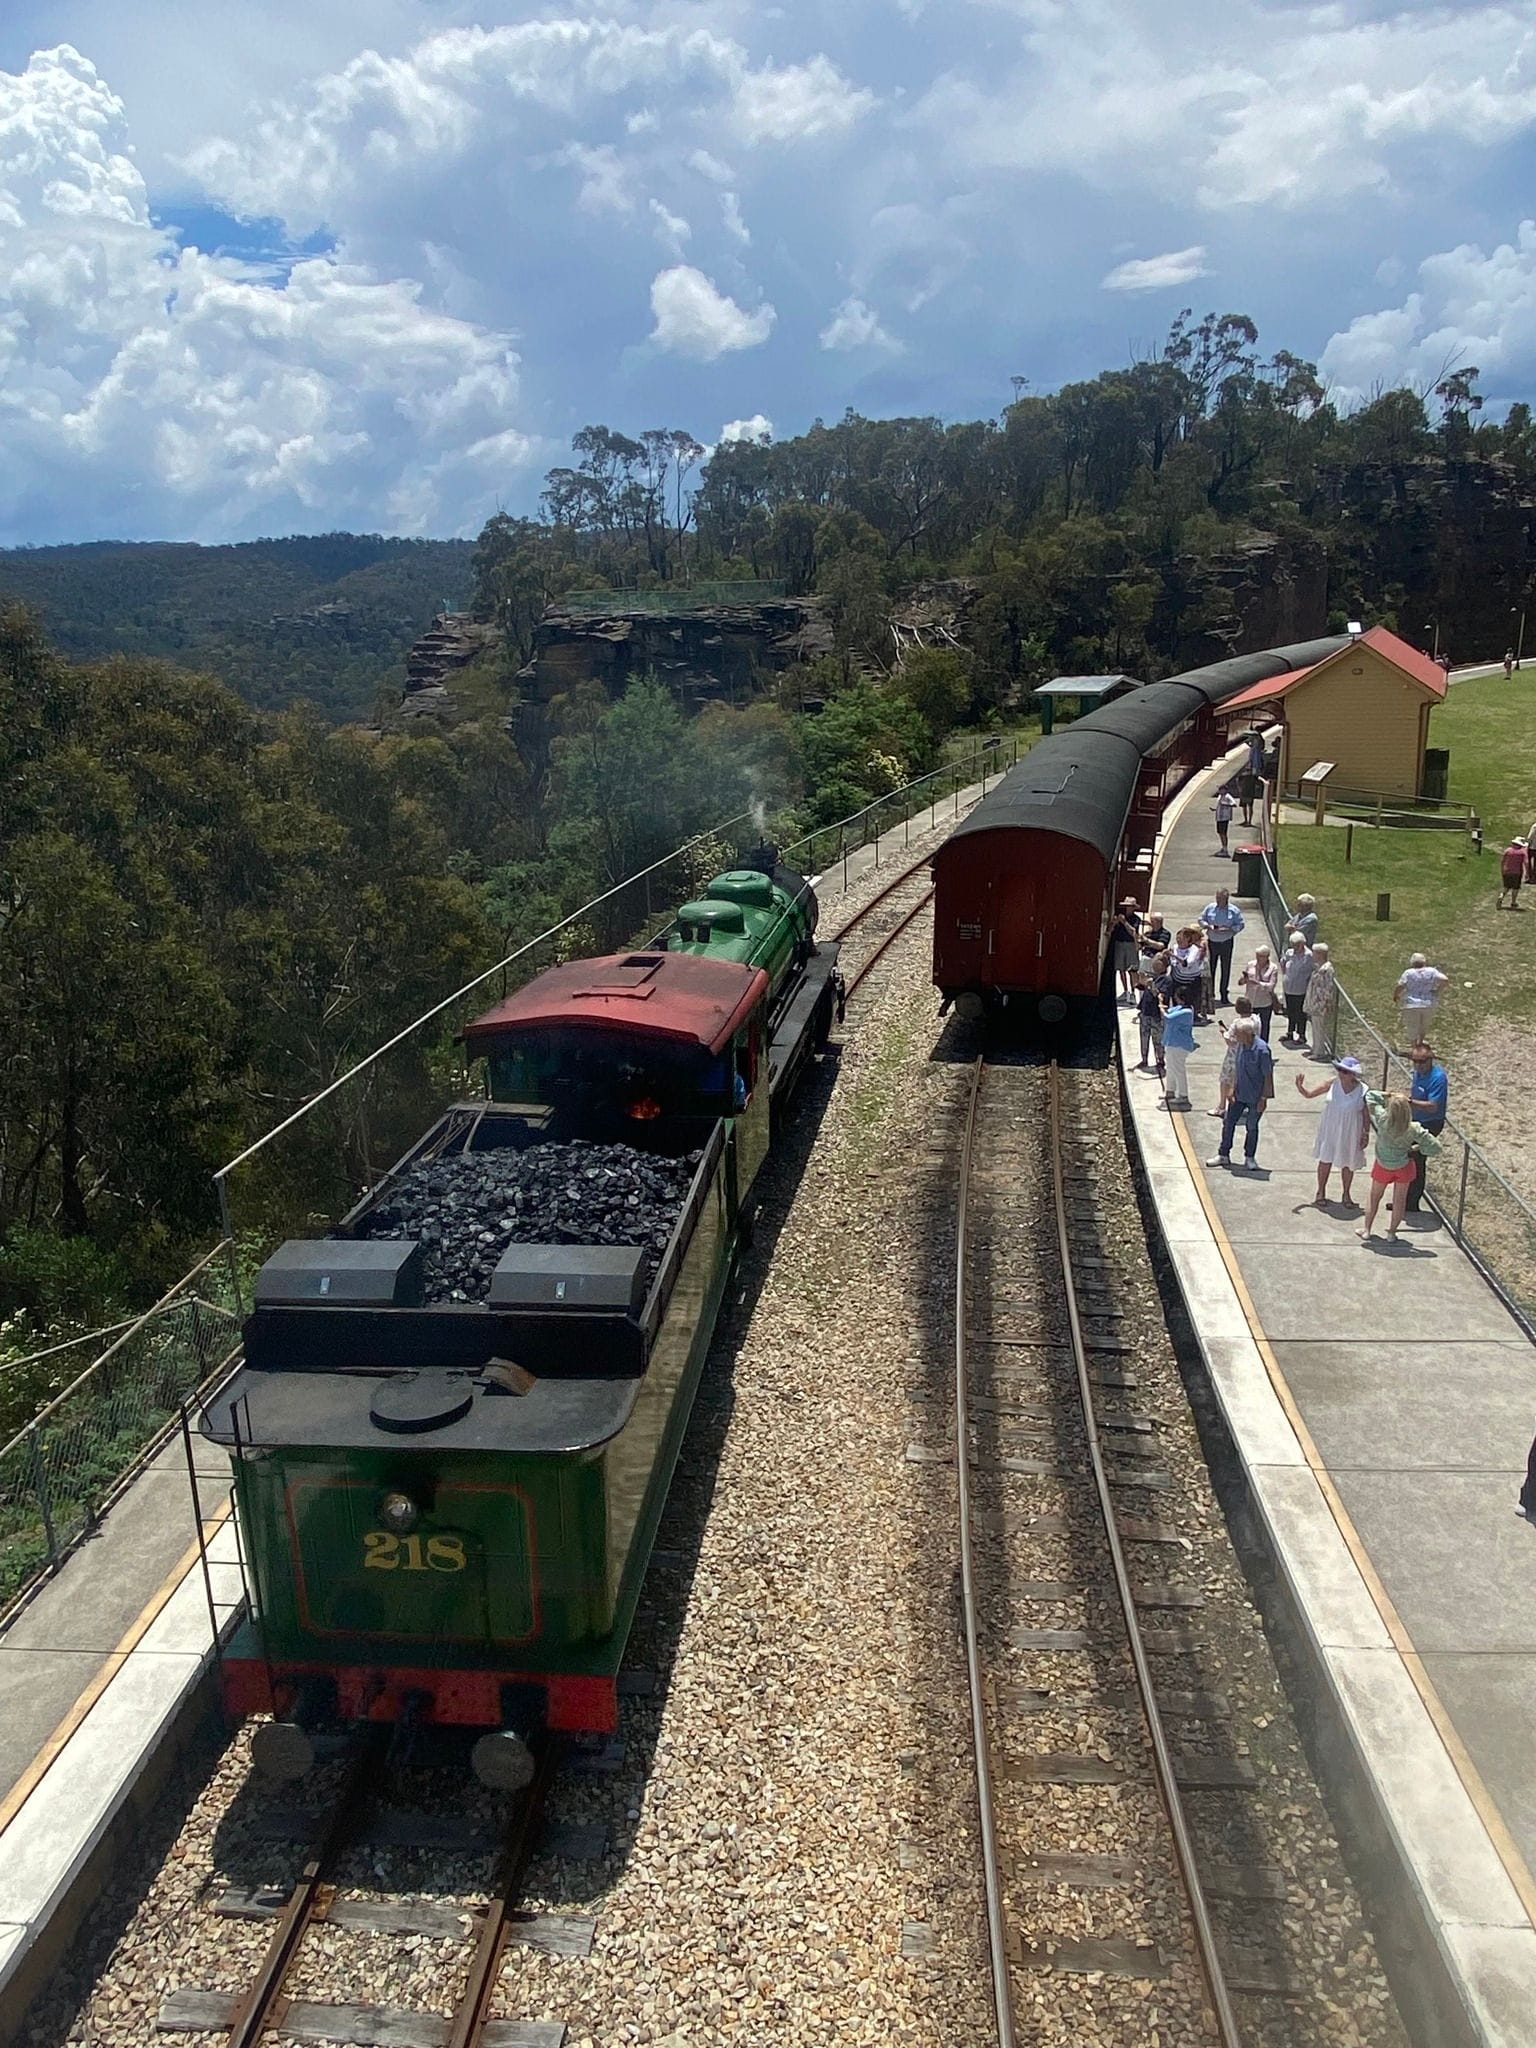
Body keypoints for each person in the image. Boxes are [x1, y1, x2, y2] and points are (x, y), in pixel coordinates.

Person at [1358, 1089, 1442, 1243]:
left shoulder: (1383, 1119)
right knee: (1399, 1201)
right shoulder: (1413, 1128)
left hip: (1383, 1165)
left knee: (1374, 1197)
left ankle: (1367, 1230)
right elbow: (1436, 1147)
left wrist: (1388, 1094)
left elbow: (1370, 1096)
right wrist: (1416, 1149)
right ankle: (1391, 1233)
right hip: (1403, 1166)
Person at [1295, 1056, 1369, 1206]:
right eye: (1339, 1070)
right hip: (1331, 1127)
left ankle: (1346, 1194)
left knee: (1348, 1162)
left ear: (1353, 1074)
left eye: (1345, 1071)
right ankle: (1320, 1191)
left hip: (1351, 1130)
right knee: (1325, 1159)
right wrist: (1300, 1087)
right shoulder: (1332, 1084)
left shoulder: (1363, 1090)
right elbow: (1309, 1094)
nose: (1341, 1073)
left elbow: (1366, 1114)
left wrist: (1365, 1133)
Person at [1208, 1018, 1274, 1170]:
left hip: (1255, 1096)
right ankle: (1223, 1154)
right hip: (1239, 1094)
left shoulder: (1262, 1050)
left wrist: (1264, 1098)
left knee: (1251, 1126)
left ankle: (1249, 1157)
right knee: (1228, 1121)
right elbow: (1238, 1068)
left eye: (1237, 1034)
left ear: (1247, 1033)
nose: (1235, 1036)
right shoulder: (1240, 1046)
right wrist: (1232, 1088)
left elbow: (1268, 1076)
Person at [1405, 1043, 1448, 1214]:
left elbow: (1432, 1106)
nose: (1417, 1065)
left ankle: (1412, 1202)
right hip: (1416, 1120)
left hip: (1430, 1123)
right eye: (1414, 1061)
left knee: (1417, 1159)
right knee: (1408, 1158)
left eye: (1421, 1061)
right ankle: (1404, 1198)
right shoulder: (1418, 1073)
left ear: (1430, 1060)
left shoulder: (1438, 1078)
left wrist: (1410, 1103)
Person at [1207, 996, 1254, 1117]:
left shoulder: (1237, 1023)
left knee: (1225, 1080)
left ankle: (1222, 1107)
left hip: (1234, 1056)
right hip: (1250, 1056)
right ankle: (1244, 1106)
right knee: (1243, 1081)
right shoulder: (1256, 1021)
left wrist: (1223, 1031)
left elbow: (1229, 1041)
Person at [1199, 888, 1245, 1005]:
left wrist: (1229, 929)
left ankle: (1224, 993)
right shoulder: (1210, 907)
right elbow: (1201, 919)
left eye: (1221, 898)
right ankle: (1211, 994)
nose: (1218, 900)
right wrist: (1207, 925)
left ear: (1227, 899)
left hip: (1226, 942)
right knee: (1211, 968)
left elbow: (1241, 924)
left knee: (1225, 968)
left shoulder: (1233, 911)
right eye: (1217, 898)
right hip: (1212, 941)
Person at [1394, 953, 1449, 1044]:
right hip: (1429, 1003)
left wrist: (1396, 995)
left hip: (1411, 1003)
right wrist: (1437, 990)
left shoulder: (1408, 973)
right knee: (1424, 1024)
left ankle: (1414, 1046)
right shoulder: (1431, 971)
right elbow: (1445, 980)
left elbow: (1400, 986)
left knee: (1412, 1025)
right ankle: (1421, 1042)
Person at [1161, 991, 1196, 1108]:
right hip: (1171, 1043)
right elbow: (1170, 1011)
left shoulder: (1187, 1011)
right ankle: (1170, 1091)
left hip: (1179, 1045)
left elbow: (1168, 1018)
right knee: (1170, 1068)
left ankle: (1183, 1095)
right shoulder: (1180, 1008)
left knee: (1178, 1070)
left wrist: (1161, 1007)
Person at [1304, 941, 1337, 1059]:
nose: (1312, 955)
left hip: (1320, 1003)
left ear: (1320, 954)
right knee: (1315, 1026)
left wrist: (1327, 1003)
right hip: (1314, 1002)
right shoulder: (1319, 967)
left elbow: (1328, 987)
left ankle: (1319, 1052)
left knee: (1319, 1027)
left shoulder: (1327, 969)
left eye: (1314, 953)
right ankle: (1315, 1048)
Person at [1280, 933, 1314, 1046]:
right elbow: (1283, 963)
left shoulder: (1308, 955)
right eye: (1293, 944)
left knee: (1300, 1012)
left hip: (1300, 988)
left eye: (1297, 945)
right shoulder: (1289, 953)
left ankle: (1301, 1035)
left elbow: (1309, 971)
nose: (1295, 947)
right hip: (1289, 987)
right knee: (1290, 1011)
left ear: (1303, 943)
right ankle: (1290, 1032)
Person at [1238, 945, 1278, 1041]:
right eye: (1257, 955)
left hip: (1264, 1002)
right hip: (1250, 1001)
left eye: (1260, 956)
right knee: (1248, 1026)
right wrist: (1244, 979)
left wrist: (1258, 983)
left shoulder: (1273, 968)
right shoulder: (1250, 964)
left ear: (1267, 956)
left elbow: (1271, 986)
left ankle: (1263, 1048)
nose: (1258, 958)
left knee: (1264, 1027)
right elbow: (1240, 983)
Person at [1170, 928, 1207, 1018]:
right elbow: (1173, 962)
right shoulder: (1174, 947)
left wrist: (1174, 956)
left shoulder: (1194, 949)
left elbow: (1188, 963)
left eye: (1181, 938)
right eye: (1177, 938)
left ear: (1188, 939)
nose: (1178, 940)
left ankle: (1191, 1017)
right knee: (1176, 999)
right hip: (1178, 978)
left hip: (1191, 980)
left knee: (1191, 1000)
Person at [1135, 970, 1166, 1075]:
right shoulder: (1151, 978)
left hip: (1155, 1015)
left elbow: (1158, 995)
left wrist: (1151, 985)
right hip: (1145, 1013)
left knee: (1157, 1039)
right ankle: (1144, 1059)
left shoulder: (1165, 980)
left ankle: (1160, 1060)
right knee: (1144, 1038)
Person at [1110, 898, 1142, 998]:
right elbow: (1111, 929)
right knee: (1121, 969)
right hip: (1119, 943)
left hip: (1130, 944)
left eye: (1130, 906)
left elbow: (1133, 932)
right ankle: (1125, 991)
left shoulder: (1136, 919)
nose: (1128, 908)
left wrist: (1124, 922)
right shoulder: (1119, 915)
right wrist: (1115, 922)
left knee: (1131, 969)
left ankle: (1133, 993)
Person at [1498, 837, 1526, 909]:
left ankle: (1501, 897)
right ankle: (1513, 902)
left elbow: (1502, 861)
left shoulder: (1508, 850)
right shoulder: (1522, 852)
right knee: (1515, 888)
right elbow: (1526, 862)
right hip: (1517, 872)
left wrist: (1502, 869)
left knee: (1506, 887)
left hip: (1507, 871)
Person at [1214, 784, 1235, 856]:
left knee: (1223, 833)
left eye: (1220, 789)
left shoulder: (1228, 796)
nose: (1219, 791)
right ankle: (1223, 847)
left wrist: (1224, 804)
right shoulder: (1220, 796)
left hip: (1224, 818)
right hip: (1219, 817)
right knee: (1220, 832)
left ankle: (1225, 849)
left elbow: (1234, 804)